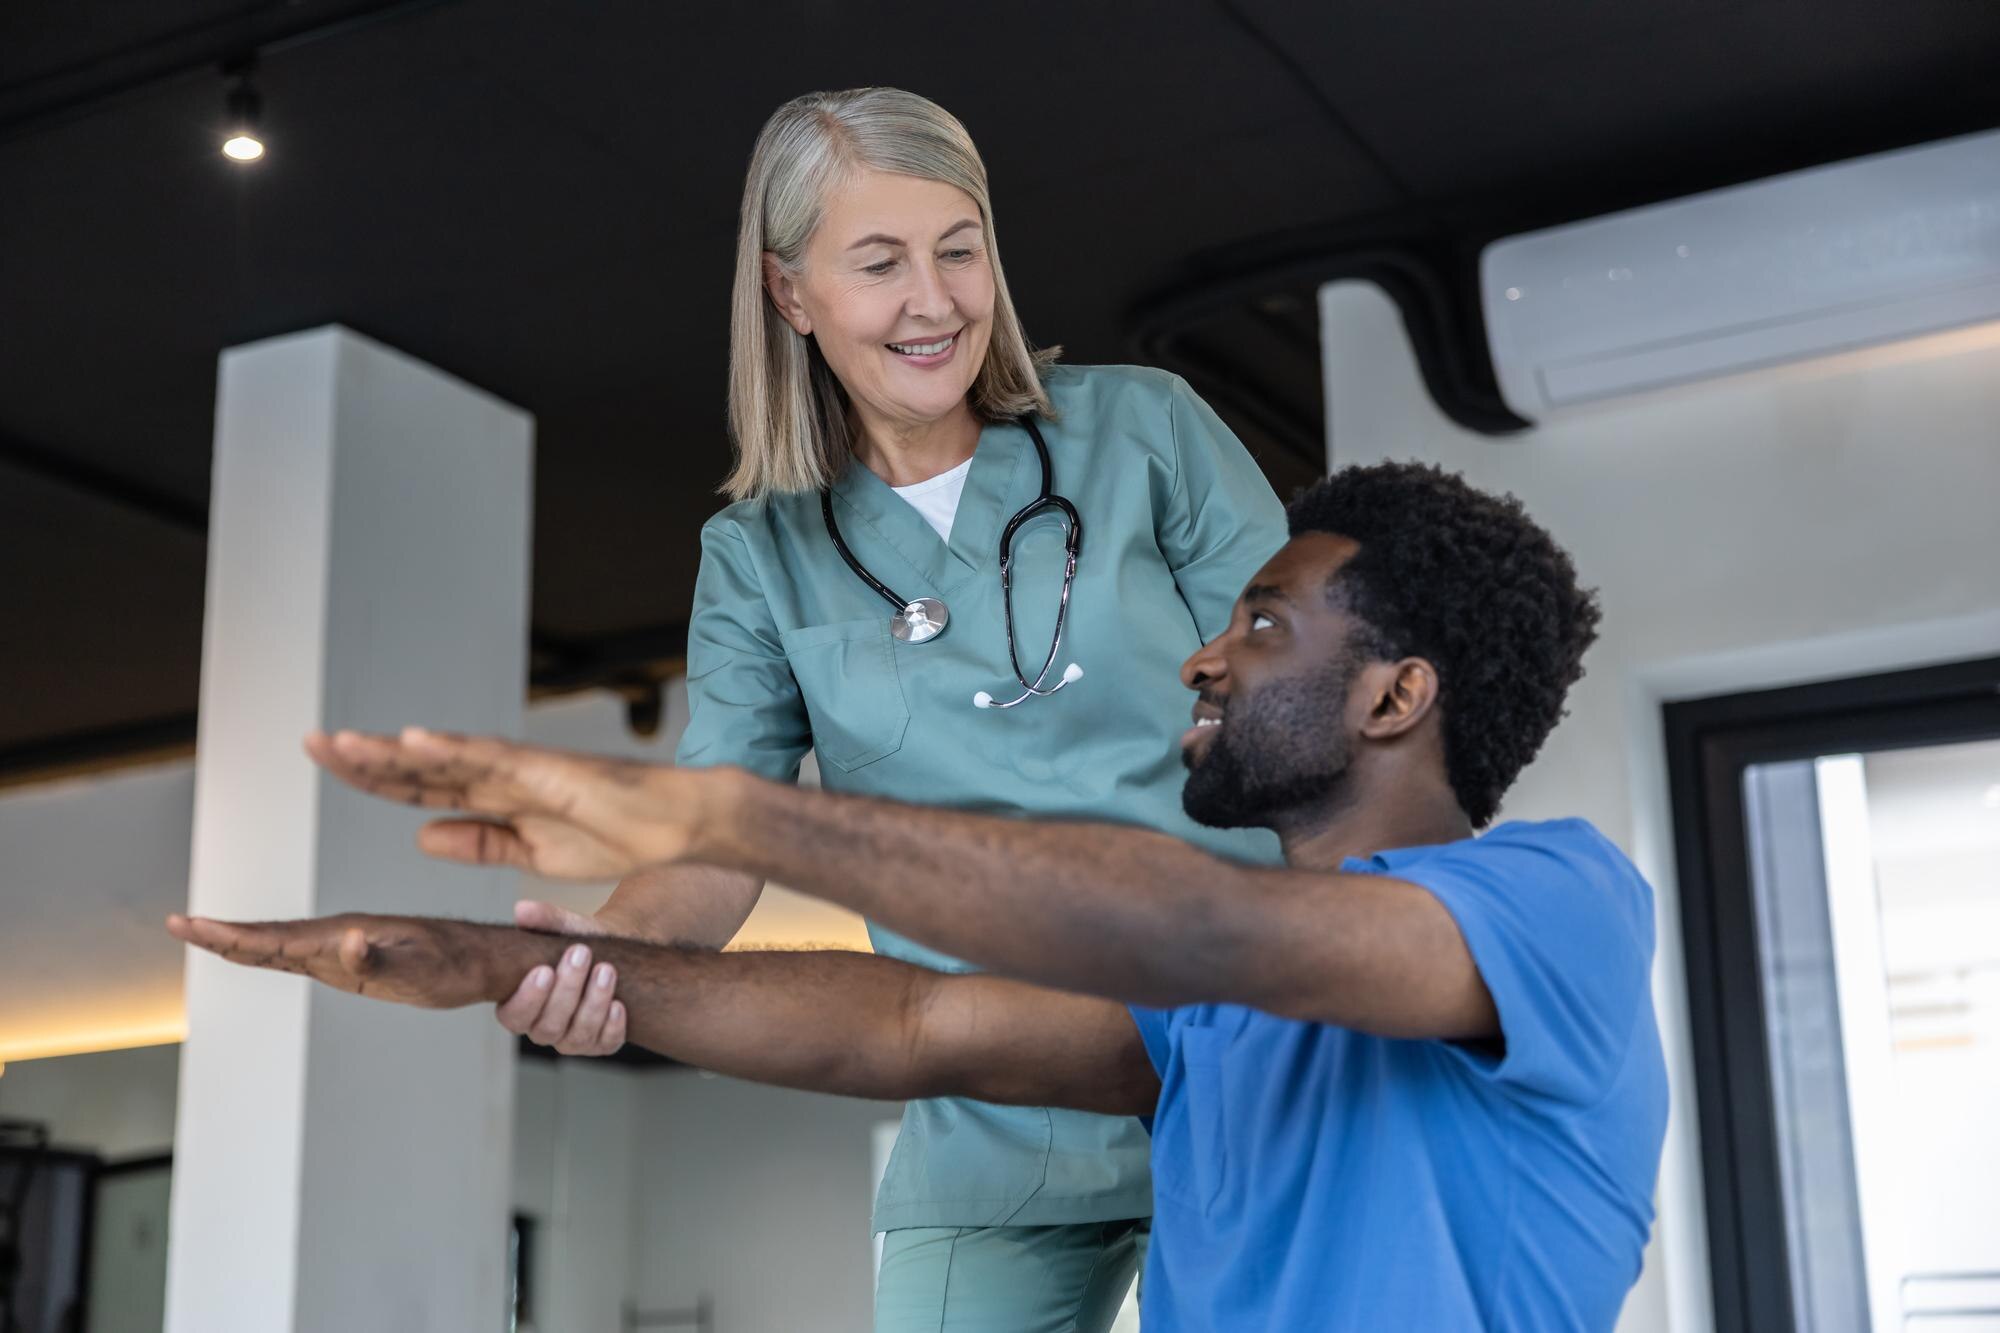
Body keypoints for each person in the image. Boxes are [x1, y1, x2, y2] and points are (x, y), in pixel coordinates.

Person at [174, 463, 1671, 1331]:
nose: (1205, 659)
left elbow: (1194, 922)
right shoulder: (1224, 1011)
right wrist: (499, 963)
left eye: (1263, 625)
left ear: (1397, 696)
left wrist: (725, 810)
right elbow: (910, 1025)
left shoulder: (1553, 902)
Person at [495, 85, 1287, 1330]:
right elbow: (720, 831)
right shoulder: (761, 556)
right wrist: (614, 956)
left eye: (958, 250)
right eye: (879, 263)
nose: (935, 301)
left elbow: (1309, 702)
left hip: (1254, 1067)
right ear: (788, 293)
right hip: (992, 1115)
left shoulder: (1144, 431)